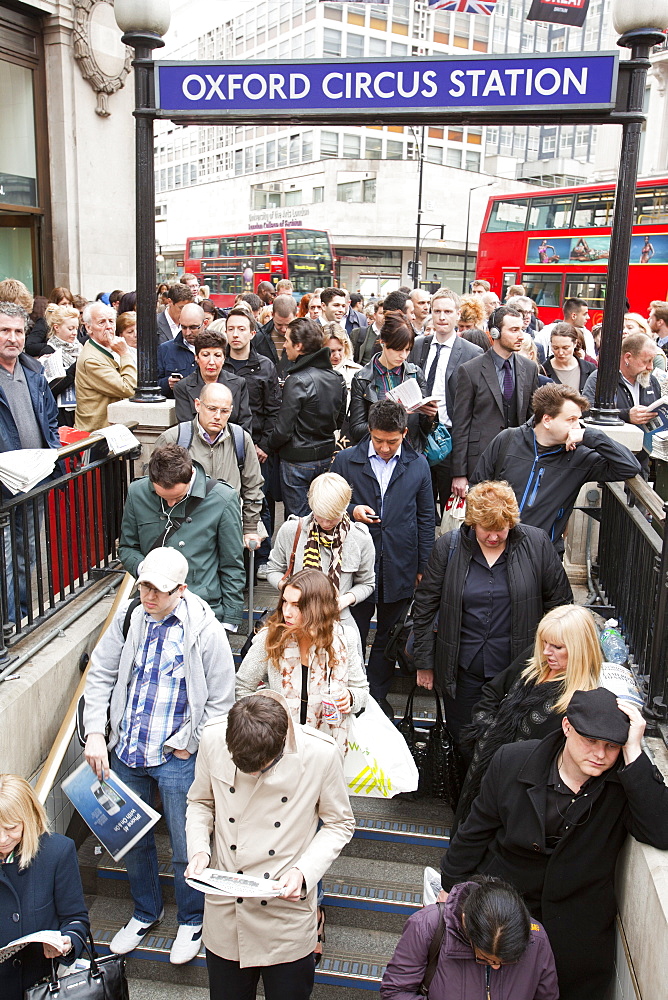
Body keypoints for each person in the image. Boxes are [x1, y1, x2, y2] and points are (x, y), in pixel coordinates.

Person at [440, 688, 668, 1000]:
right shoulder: (512, 760)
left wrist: (634, 753)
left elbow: (661, 830)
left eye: (611, 746)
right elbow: (474, 832)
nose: (600, 754)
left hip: (577, 934)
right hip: (502, 912)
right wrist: (453, 891)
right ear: (566, 727)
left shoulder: (623, 782)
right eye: (590, 740)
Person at [84, 547, 235, 964]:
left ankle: (191, 919)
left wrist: (192, 742)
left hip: (176, 755)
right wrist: (97, 731)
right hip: (128, 749)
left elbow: (222, 702)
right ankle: (145, 911)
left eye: (159, 590)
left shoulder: (205, 629)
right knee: (131, 838)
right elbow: (100, 674)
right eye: (144, 585)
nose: (148, 595)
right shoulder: (130, 617)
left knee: (188, 844)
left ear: (182, 590)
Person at [185, 691, 355, 1000]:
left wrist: (304, 872)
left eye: (259, 769)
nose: (251, 775)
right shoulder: (211, 738)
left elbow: (339, 823)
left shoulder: (320, 754)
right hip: (227, 913)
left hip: (285, 916)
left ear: (281, 745)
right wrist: (199, 849)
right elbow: (200, 802)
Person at [412, 480, 571, 746]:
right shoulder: (448, 547)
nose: (494, 537)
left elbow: (561, 605)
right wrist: (424, 663)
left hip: (518, 671)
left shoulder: (537, 544)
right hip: (462, 670)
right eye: (487, 530)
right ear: (473, 523)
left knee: (509, 746)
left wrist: (556, 659)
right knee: (463, 741)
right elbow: (426, 605)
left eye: (501, 529)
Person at [454, 604, 636, 831]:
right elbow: (493, 691)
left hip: (514, 795)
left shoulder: (583, 698)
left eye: (557, 647)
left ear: (579, 648)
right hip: (481, 772)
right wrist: (487, 732)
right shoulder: (537, 658)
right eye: (544, 642)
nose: (547, 651)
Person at [331, 400, 434, 715]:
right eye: (379, 440)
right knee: (352, 632)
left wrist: (423, 567)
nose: (386, 447)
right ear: (369, 434)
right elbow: (326, 505)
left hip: (400, 563)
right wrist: (352, 510)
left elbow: (426, 519)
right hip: (355, 567)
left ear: (405, 432)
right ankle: (350, 689)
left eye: (393, 441)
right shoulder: (347, 461)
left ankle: (376, 694)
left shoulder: (418, 465)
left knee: (390, 636)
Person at [472, 384, 641, 549]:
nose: (577, 426)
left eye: (579, 419)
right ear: (547, 420)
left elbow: (629, 467)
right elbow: (477, 487)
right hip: (494, 546)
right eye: (571, 420)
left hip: (540, 554)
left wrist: (591, 435)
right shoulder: (507, 440)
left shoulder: (580, 456)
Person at [236, 567, 369, 749]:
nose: (287, 612)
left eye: (296, 605)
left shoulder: (345, 638)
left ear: (317, 608)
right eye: (284, 602)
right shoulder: (271, 637)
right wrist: (261, 728)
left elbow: (361, 690)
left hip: (328, 747)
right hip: (277, 746)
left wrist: (350, 698)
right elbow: (242, 687)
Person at [119, 444, 245, 627]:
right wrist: (146, 569)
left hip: (201, 608)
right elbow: (127, 547)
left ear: (191, 476)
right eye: (162, 497)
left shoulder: (222, 498)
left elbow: (232, 564)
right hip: (152, 606)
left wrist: (231, 619)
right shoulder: (137, 492)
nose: (170, 504)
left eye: (178, 498)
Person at [380, 877, 558, 1000]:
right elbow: (395, 991)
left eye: (505, 962)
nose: (495, 966)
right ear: (466, 922)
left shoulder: (536, 938)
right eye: (485, 959)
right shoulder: (427, 925)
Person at [0, 774, 90, 1000]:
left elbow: (76, 918)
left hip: (40, 985)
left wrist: (68, 941)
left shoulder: (56, 852)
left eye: (11, 828)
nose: (2, 839)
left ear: (28, 818)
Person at [0, 303, 62, 623]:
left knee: (29, 553)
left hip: (34, 478)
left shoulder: (33, 371)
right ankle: (8, 623)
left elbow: (49, 418)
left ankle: (23, 615)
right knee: (6, 556)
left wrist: (51, 454)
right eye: (5, 331)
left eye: (18, 331)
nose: (13, 338)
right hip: (3, 484)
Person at [266, 473, 375, 643]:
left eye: (332, 517)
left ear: (345, 507)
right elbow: (273, 570)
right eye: (320, 515)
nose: (325, 523)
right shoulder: (291, 530)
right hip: (292, 623)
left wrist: (344, 600)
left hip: (338, 625)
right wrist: (290, 590)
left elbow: (367, 583)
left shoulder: (360, 538)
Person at [154, 382, 265, 548]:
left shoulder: (241, 439)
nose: (218, 416)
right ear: (198, 405)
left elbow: (253, 485)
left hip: (228, 524)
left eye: (224, 411)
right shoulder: (173, 438)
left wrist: (249, 527)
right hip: (186, 527)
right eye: (212, 409)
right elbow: (155, 485)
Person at [451, 306, 538, 497]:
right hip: (480, 461)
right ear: (495, 332)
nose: (521, 336)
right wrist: (459, 473)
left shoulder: (529, 368)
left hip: (517, 461)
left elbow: (532, 418)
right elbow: (461, 424)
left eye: (521, 330)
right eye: (514, 330)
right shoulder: (470, 370)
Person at [409, 289, 483, 508]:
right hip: (419, 436)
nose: (442, 317)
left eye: (448, 311)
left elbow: (474, 412)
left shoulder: (472, 353)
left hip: (451, 441)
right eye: (437, 311)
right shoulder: (418, 345)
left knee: (450, 510)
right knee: (419, 507)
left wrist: (462, 470)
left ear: (458, 314)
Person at [268, 318, 346, 518]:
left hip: (296, 461)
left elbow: (283, 430)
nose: (284, 345)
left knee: (298, 522)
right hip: (326, 455)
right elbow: (339, 421)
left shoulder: (297, 380)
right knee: (323, 516)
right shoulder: (337, 378)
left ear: (299, 346)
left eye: (287, 340)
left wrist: (270, 445)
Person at [350, 315, 438, 453]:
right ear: (383, 343)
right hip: (377, 454)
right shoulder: (363, 378)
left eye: (408, 350)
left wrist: (431, 416)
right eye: (398, 349)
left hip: (411, 453)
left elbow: (423, 428)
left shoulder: (414, 373)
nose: (403, 356)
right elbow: (356, 429)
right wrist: (391, 415)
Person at [583, 332, 661, 475]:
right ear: (628, 358)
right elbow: (586, 411)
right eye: (646, 361)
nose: (650, 367)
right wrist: (626, 415)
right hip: (608, 460)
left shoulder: (651, 381)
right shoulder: (601, 378)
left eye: (652, 361)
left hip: (641, 460)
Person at [173, 328, 252, 432]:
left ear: (224, 358)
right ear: (196, 357)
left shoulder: (239, 384)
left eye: (217, 355)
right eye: (205, 355)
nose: (211, 362)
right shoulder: (182, 387)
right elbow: (187, 428)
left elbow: (245, 425)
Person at [74, 301, 137, 431]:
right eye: (101, 322)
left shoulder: (111, 348)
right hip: (96, 435)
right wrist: (125, 354)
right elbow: (130, 388)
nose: (108, 327)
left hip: (111, 429)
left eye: (111, 321)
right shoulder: (91, 359)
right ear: (89, 328)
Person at [41, 303, 81, 426]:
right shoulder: (49, 351)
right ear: (57, 327)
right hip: (61, 414)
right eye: (70, 329)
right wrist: (76, 367)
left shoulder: (80, 347)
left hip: (81, 408)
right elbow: (50, 389)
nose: (74, 333)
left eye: (76, 328)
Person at [157, 302, 207, 396]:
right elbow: (153, 387)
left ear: (205, 323)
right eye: (183, 327)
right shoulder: (165, 349)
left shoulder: (217, 348)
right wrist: (167, 383)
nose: (188, 333)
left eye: (193, 327)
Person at [542, 323, 596, 391]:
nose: (560, 353)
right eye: (556, 348)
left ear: (575, 343)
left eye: (565, 348)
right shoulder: (543, 371)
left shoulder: (590, 368)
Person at [352, 298, 384, 365]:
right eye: (381, 313)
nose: (384, 316)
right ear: (375, 315)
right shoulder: (358, 333)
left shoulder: (394, 335)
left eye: (387, 313)